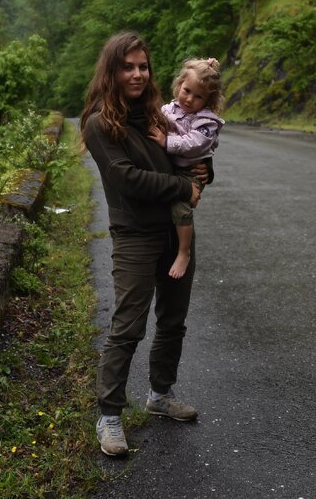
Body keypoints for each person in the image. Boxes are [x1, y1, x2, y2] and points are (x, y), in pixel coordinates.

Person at [81, 31, 208, 458]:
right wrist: (181, 186)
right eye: (128, 66)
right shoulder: (101, 123)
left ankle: (160, 394)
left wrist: (202, 177)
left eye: (143, 66)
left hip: (174, 233)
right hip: (135, 235)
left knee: (173, 320)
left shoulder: (157, 114)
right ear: (112, 70)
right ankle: (109, 415)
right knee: (128, 326)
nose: (137, 74)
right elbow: (126, 180)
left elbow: (190, 160)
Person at [150, 57, 224, 280]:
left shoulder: (207, 122)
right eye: (187, 90)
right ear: (179, 84)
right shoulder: (169, 108)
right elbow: (156, 119)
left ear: (208, 100)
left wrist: (165, 142)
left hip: (190, 171)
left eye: (198, 96)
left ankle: (184, 251)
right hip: (173, 167)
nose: (190, 99)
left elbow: (192, 145)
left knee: (180, 208)